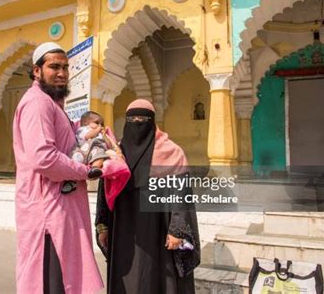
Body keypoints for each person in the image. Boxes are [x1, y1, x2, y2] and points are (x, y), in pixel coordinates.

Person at [13, 42, 104, 294]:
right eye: (54, 66)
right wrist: (85, 171)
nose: (62, 72)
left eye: (65, 67)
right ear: (36, 71)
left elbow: (64, 142)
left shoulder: (52, 105)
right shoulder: (37, 103)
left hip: (60, 208)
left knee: (63, 279)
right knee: (51, 281)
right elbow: (43, 158)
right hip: (47, 213)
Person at [95, 99, 200, 293]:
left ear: (152, 121)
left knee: (157, 277)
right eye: (132, 119)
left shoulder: (172, 153)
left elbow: (181, 192)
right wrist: (103, 225)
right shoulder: (117, 152)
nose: (137, 123)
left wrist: (177, 229)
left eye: (142, 118)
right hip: (122, 229)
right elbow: (105, 191)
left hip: (158, 229)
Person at [62, 111, 112, 194]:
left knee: (101, 154)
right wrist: (97, 130)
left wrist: (104, 136)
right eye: (96, 122)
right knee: (75, 156)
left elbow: (109, 145)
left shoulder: (101, 133)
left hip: (96, 149)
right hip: (84, 149)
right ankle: (70, 181)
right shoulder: (83, 129)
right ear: (86, 123)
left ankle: (95, 169)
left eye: (102, 124)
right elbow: (88, 136)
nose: (100, 125)